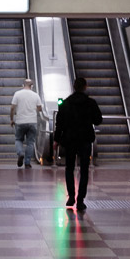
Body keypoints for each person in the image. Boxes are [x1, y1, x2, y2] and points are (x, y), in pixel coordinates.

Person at [52, 76, 102, 211]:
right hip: (85, 139)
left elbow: (59, 124)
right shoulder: (90, 103)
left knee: (69, 168)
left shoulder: (66, 103)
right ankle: (80, 200)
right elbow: (98, 120)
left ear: (74, 87)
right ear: (85, 87)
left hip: (69, 139)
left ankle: (71, 197)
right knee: (84, 169)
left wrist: (56, 140)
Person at [9, 77, 43, 168]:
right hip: (32, 121)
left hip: (20, 121)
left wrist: (12, 119)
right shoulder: (35, 95)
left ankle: (20, 153)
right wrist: (33, 109)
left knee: (18, 139)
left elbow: (12, 108)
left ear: (23, 85)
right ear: (32, 86)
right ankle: (27, 163)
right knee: (30, 142)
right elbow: (40, 108)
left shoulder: (17, 94)